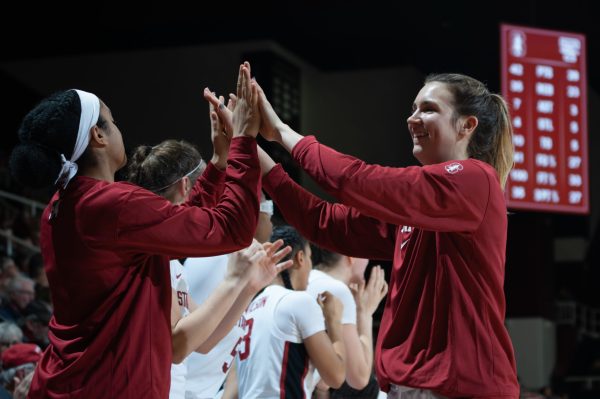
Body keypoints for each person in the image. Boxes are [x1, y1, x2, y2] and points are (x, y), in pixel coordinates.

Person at [207, 71, 518, 398]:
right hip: (409, 386)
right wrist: (250, 146)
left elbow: (356, 181)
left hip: (460, 387)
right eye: (413, 108)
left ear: (466, 126)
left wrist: (281, 132)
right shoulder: (421, 207)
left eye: (428, 109)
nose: (412, 118)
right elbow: (323, 222)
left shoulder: (476, 179)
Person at [8, 62, 263, 398]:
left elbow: (172, 227)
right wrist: (245, 141)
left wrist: (219, 163)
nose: (118, 128)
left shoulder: (63, 205)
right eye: (111, 121)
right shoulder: (113, 205)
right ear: (97, 135)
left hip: (72, 381)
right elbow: (233, 229)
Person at [126, 137, 292, 399]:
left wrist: (249, 287)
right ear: (185, 187)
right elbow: (178, 347)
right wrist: (234, 280)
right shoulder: (150, 256)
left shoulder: (168, 261)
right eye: (210, 187)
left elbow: (205, 342)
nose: (214, 197)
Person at [235, 225, 346, 398]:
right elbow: (336, 377)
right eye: (310, 258)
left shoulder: (249, 308)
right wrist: (334, 322)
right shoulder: (299, 302)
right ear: (300, 258)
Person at [308, 246, 387, 397]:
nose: (367, 262)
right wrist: (365, 314)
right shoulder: (337, 289)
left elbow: (323, 382)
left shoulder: (310, 279)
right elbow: (359, 378)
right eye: (365, 256)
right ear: (351, 257)